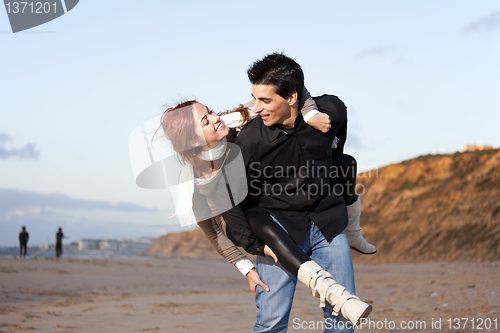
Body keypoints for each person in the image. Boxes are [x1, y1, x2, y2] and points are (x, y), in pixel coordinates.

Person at [160, 93, 372, 330]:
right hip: (274, 234)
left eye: (209, 111)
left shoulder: (243, 119)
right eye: (205, 121)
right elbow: (214, 232)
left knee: (342, 320)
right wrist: (247, 268)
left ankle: (354, 232)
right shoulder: (198, 183)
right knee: (271, 323)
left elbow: (291, 93)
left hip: (322, 218)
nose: (215, 118)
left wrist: (310, 113)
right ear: (192, 141)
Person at [219, 52, 371, 332]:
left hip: (328, 225)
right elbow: (227, 196)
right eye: (255, 98)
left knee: (342, 319)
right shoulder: (251, 140)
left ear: (291, 97)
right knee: (272, 322)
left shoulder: (330, 113)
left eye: (266, 100)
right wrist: (253, 244)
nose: (257, 108)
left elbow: (338, 145)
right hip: (280, 231)